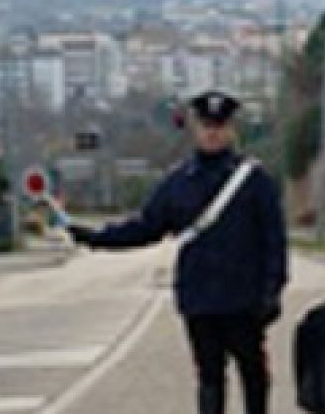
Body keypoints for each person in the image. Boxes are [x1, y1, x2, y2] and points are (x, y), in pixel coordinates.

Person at [67, 90, 287, 414]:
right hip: (200, 300)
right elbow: (146, 226)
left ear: (231, 129)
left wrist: (272, 290)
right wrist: (97, 238)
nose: (212, 132)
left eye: (219, 125)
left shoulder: (254, 181)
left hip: (245, 299)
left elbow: (274, 240)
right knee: (209, 378)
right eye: (206, 125)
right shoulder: (178, 182)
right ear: (195, 129)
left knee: (253, 374)